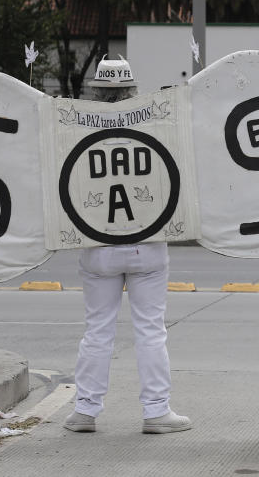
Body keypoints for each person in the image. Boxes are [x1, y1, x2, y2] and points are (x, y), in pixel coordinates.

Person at [64, 56, 191, 435]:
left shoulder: (74, 129)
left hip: (97, 240)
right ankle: (156, 411)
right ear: (133, 90)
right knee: (151, 329)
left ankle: (85, 410)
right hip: (147, 239)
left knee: (97, 329)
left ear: (97, 91)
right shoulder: (155, 124)